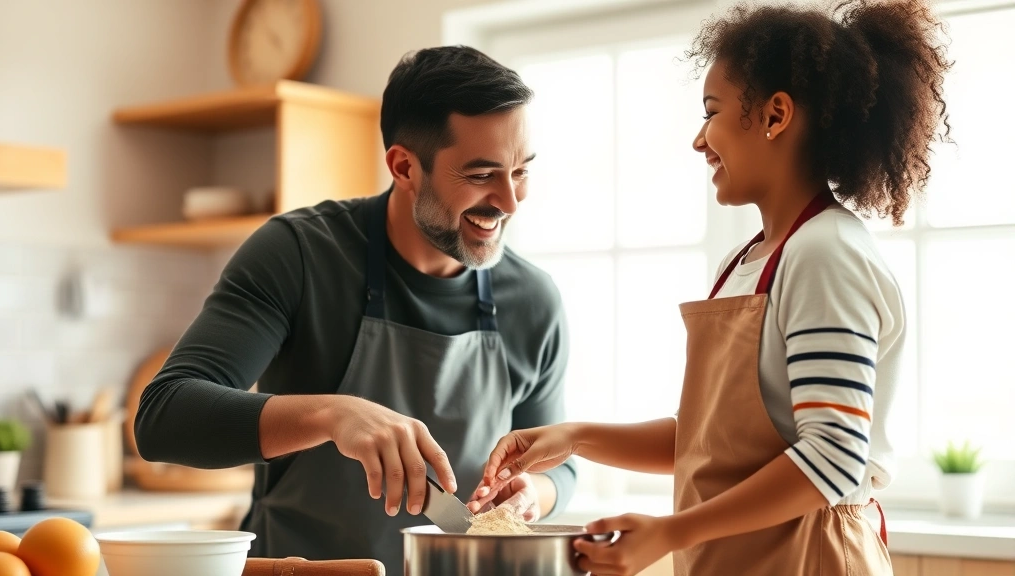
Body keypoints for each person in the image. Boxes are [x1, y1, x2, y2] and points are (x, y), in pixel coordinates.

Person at [469, 0, 951, 573]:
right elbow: (711, 446)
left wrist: (669, 531)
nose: (700, 140)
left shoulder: (826, 255)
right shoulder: (750, 260)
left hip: (808, 556)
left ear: (775, 116)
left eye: (712, 111)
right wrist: (575, 437)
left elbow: (834, 458)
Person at [134, 46, 576, 574]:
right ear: (404, 165)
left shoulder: (533, 300)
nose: (510, 200)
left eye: (520, 170)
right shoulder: (298, 254)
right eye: (482, 175)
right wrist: (333, 413)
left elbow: (560, 469)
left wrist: (535, 494)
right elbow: (163, 416)